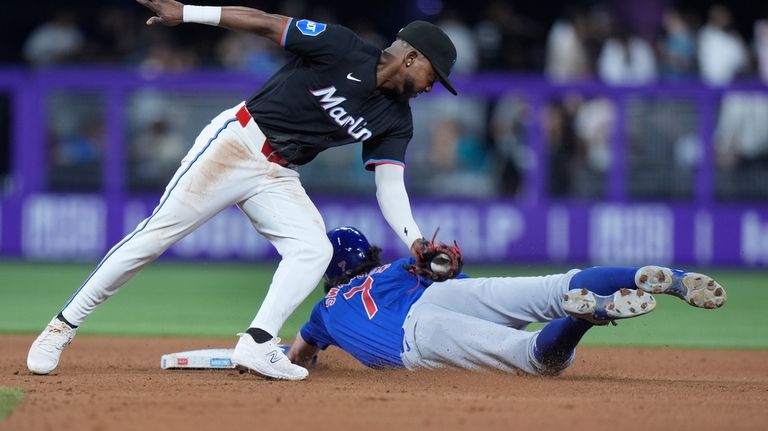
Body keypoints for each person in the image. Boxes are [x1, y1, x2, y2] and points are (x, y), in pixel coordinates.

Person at [26, 0, 459, 381]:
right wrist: (186, 13)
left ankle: (257, 343)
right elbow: (267, 23)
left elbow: (389, 184)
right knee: (155, 235)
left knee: (313, 249)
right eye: (433, 74)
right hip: (238, 144)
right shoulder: (343, 46)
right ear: (410, 58)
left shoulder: (396, 119)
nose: (431, 86)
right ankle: (62, 326)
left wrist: (414, 239)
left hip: (279, 175)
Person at [287, 227, 727, 374]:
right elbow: (450, 277)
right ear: (369, 255)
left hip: (416, 337)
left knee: (534, 359)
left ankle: (587, 313)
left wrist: (306, 355)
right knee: (555, 287)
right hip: (442, 292)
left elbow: (298, 356)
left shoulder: (323, 312)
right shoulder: (399, 266)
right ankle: (664, 275)